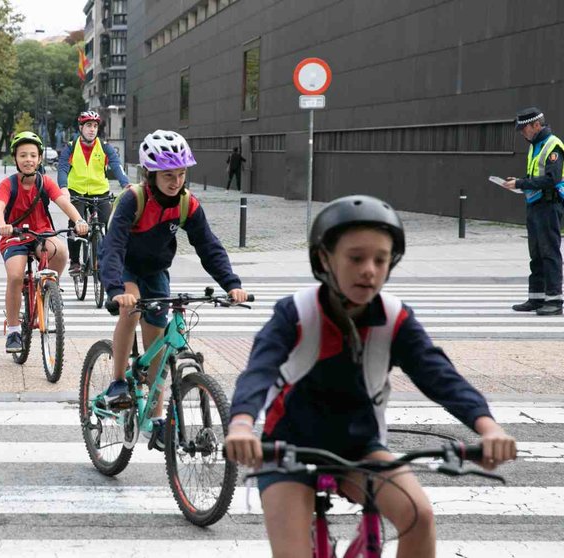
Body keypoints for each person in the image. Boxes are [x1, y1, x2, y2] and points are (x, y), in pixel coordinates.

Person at [224, 195, 517, 558]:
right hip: (286, 451)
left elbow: (439, 375)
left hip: (361, 449)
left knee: (418, 516)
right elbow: (259, 373)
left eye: (381, 259)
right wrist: (240, 426)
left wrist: (488, 428)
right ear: (324, 258)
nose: (370, 270)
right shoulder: (295, 313)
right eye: (356, 258)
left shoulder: (395, 319)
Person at [99, 130, 249, 450]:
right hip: (126, 267)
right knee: (130, 308)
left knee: (158, 342)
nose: (176, 181)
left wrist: (231, 285)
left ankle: (155, 419)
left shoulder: (186, 204)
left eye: (181, 174)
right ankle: (117, 382)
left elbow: (208, 246)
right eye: (168, 175)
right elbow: (112, 247)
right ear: (150, 173)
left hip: (155, 271)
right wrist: (115, 288)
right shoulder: (133, 199)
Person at [0, 131, 89, 352]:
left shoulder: (44, 181)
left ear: (40, 158)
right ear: (15, 158)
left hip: (41, 233)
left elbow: (63, 202)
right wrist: (1, 224)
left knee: (61, 252)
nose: (28, 159)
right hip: (14, 236)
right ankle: (15, 330)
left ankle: (50, 289)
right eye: (23, 155)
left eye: (33, 155)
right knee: (16, 276)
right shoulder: (9, 184)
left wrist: (79, 220)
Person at [503, 107, 564, 316]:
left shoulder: (553, 145)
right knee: (536, 253)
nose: (522, 133)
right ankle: (536, 298)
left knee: (550, 253)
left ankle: (555, 300)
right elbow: (533, 175)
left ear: (536, 125)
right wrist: (519, 183)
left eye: (524, 128)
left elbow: (552, 179)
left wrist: (522, 182)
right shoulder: (535, 146)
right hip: (535, 205)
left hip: (549, 205)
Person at [57, 110, 130, 275]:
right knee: (76, 225)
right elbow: (62, 168)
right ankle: (75, 262)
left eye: (95, 126)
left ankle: (107, 258)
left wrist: (126, 185)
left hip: (100, 192)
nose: (92, 129)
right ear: (81, 127)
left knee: (110, 223)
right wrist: (63, 187)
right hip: (77, 192)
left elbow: (116, 165)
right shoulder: (71, 147)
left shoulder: (104, 147)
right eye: (88, 125)